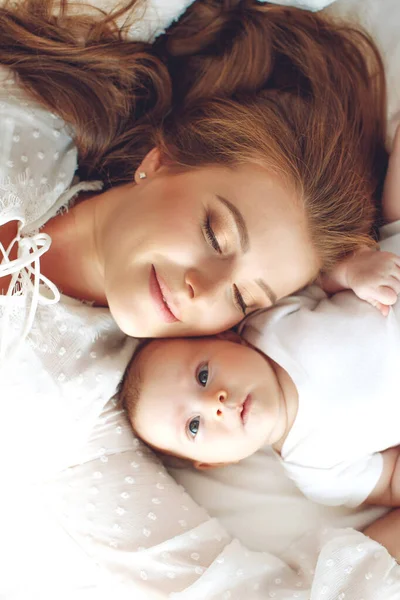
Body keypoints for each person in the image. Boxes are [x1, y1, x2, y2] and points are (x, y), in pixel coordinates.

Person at [0, 0, 399, 597]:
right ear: (159, 162)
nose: (205, 289)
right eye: (215, 233)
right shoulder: (33, 110)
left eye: (241, 299)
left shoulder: (79, 429)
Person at [122, 123, 400, 511]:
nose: (214, 404)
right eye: (194, 427)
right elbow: (389, 479)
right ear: (218, 462)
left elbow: (322, 276)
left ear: (228, 339)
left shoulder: (268, 322)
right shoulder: (318, 472)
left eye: (204, 375)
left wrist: (354, 272)